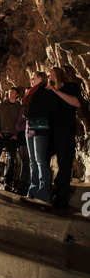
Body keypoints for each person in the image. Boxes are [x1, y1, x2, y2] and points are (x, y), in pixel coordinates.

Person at [46, 66, 84, 208]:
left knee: (64, 164)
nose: (49, 75)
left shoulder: (70, 87)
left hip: (65, 131)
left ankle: (62, 198)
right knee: (43, 158)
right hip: (51, 131)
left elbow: (77, 102)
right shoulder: (50, 90)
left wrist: (56, 92)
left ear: (58, 73)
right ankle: (46, 190)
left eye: (51, 73)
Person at [23, 71, 58, 206]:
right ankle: (33, 191)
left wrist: (36, 111)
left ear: (40, 79)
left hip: (41, 125)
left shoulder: (45, 90)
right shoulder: (31, 92)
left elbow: (52, 107)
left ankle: (44, 195)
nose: (31, 80)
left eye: (33, 77)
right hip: (29, 125)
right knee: (32, 159)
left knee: (40, 159)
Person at [0, 87, 21, 191]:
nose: (10, 93)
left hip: (12, 135)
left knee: (11, 160)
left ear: (17, 95)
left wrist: (17, 135)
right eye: (9, 92)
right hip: (2, 134)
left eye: (12, 92)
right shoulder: (2, 105)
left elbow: (21, 121)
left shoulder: (19, 107)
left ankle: (8, 183)